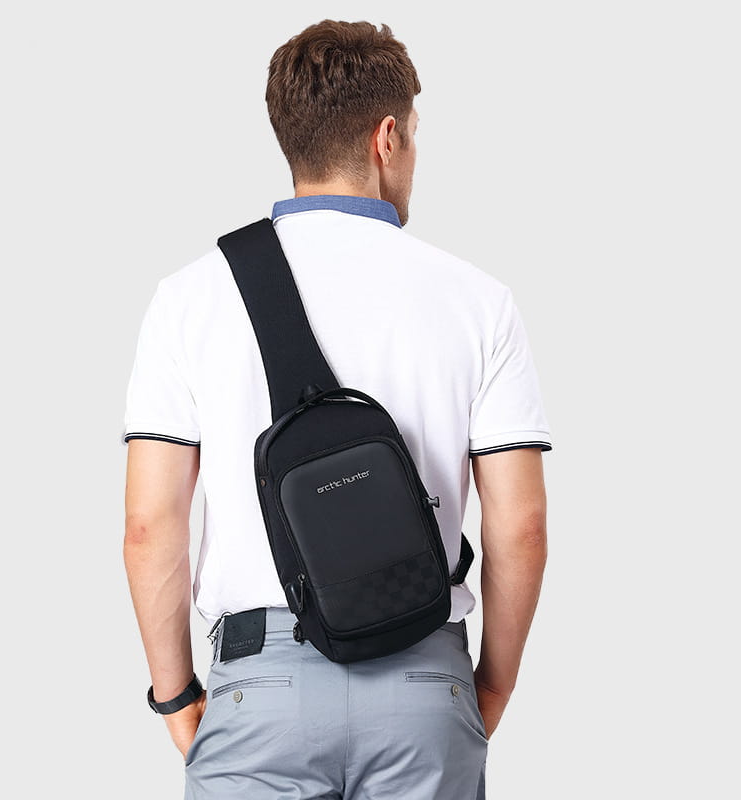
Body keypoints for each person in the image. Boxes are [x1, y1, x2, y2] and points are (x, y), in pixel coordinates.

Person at [122, 18, 552, 800]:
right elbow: (520, 525)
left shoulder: (187, 299)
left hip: (259, 689)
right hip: (424, 681)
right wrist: (490, 686)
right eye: (414, 136)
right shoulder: (479, 301)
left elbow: (151, 526)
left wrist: (178, 699)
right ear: (388, 138)